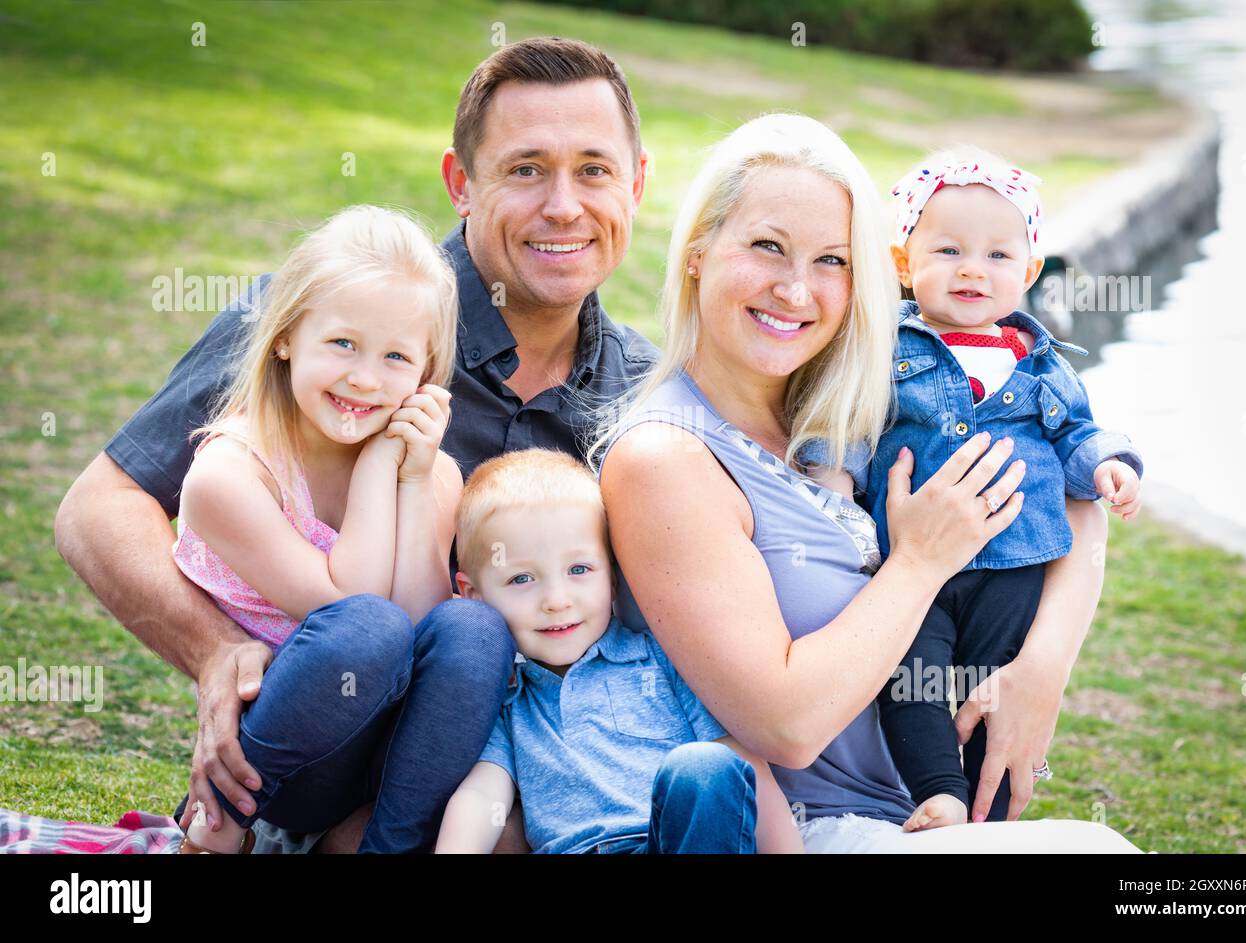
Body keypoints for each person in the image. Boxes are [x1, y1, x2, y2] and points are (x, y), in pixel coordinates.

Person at [53, 37, 654, 854]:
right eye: (524, 169)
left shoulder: (645, 401)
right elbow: (97, 509)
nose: (563, 205)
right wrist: (217, 652)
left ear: (637, 183)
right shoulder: (329, 320)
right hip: (312, 750)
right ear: (460, 185)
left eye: (594, 169)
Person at [594, 113, 1145, 852]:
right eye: (767, 246)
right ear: (698, 254)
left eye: (832, 260)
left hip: (917, 812)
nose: (796, 289)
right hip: (808, 826)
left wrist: (1041, 669)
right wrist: (920, 561)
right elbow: (784, 725)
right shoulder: (666, 457)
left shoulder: (851, 402)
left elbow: (1077, 496)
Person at [796, 147, 1144, 830]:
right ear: (903, 264)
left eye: (997, 256)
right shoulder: (885, 348)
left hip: (1014, 562)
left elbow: (1078, 433)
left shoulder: (1038, 361)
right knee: (908, 677)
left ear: (1031, 271)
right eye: (949, 250)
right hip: (912, 565)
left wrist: (1110, 465)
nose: (971, 270)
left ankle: (989, 811)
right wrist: (832, 478)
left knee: (993, 683)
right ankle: (939, 792)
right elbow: (851, 424)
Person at [165, 203, 506, 855]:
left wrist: (411, 480)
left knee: (474, 626)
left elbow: (418, 621)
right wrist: (380, 470)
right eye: (343, 343)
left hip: (385, 765)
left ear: (427, 374)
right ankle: (214, 834)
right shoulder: (233, 473)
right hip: (281, 765)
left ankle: (388, 846)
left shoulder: (433, 476)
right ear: (288, 334)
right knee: (366, 628)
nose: (365, 377)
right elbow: (351, 608)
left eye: (397, 356)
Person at [435, 449, 803, 853]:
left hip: (675, 843)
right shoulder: (506, 698)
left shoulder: (664, 661)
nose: (557, 601)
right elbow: (483, 795)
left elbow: (744, 767)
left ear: (612, 578)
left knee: (703, 768)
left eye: (579, 570)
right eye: (522, 578)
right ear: (475, 595)